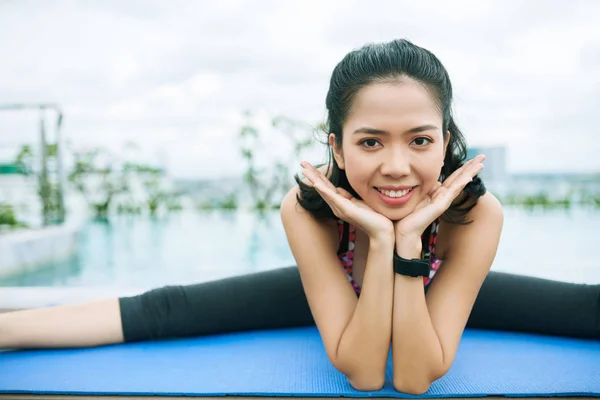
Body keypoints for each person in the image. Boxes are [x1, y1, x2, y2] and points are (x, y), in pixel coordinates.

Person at [0, 39, 598, 395]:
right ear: (336, 149)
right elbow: (364, 373)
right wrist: (377, 238)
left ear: (446, 141)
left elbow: (416, 379)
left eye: (420, 141)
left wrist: (409, 240)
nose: (396, 166)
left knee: (583, 310)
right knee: (170, 308)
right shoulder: (310, 208)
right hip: (340, 292)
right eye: (370, 143)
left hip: (438, 289)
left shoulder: (474, 215)